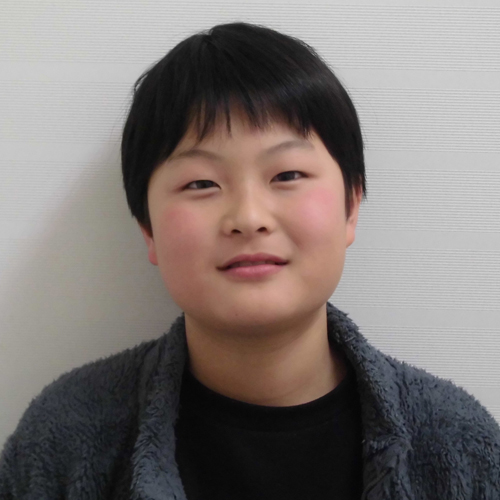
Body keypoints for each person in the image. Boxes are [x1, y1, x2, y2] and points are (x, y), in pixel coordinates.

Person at [0, 21, 499, 500]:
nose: (248, 218)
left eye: (287, 175)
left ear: (351, 207)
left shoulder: (455, 443)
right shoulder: (67, 436)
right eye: (201, 183)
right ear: (148, 229)